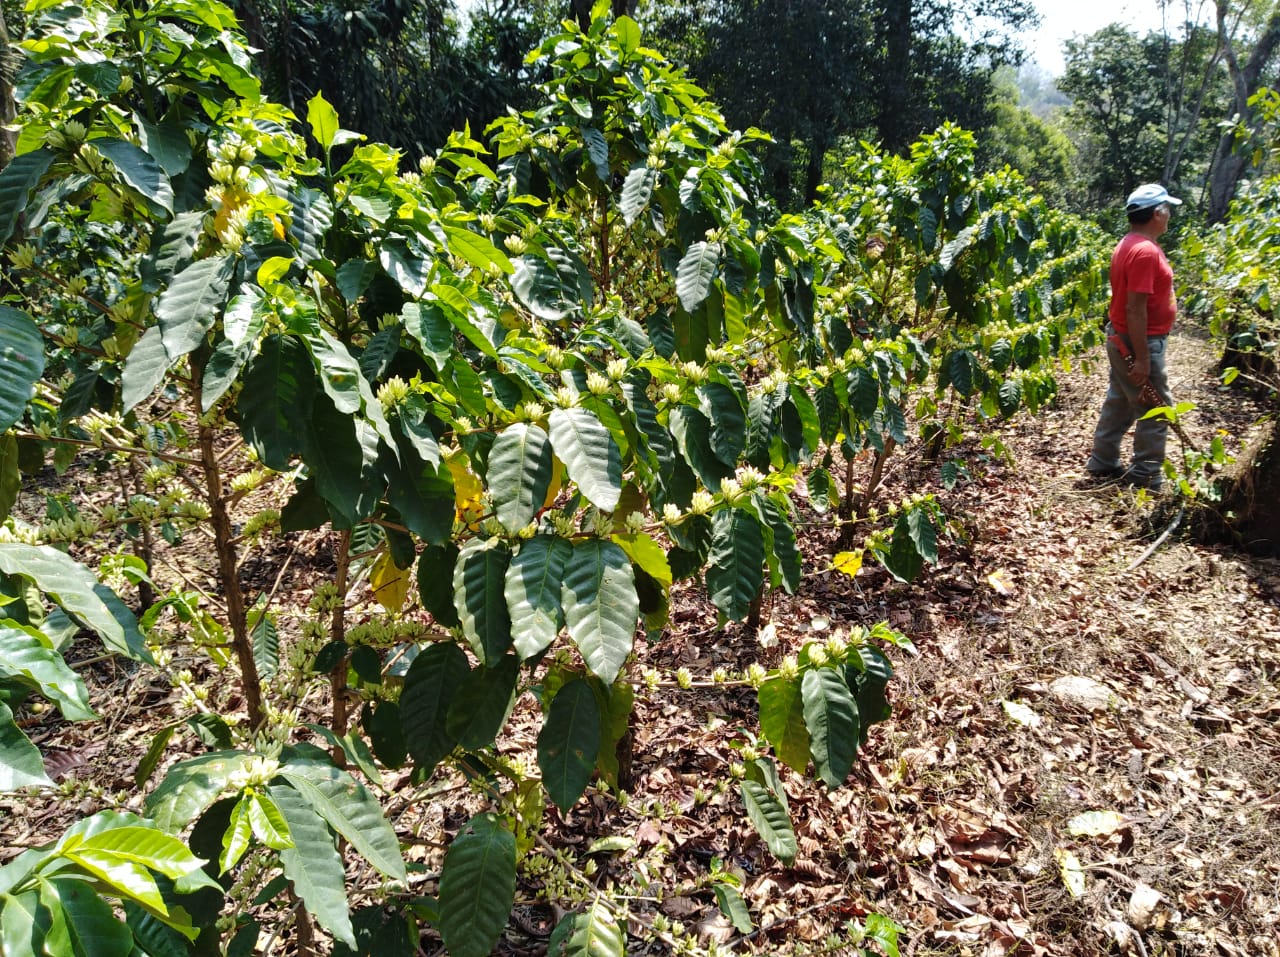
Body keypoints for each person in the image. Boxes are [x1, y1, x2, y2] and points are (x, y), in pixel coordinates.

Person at [1085, 183, 1181, 490]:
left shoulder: (1130, 243)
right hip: (1138, 342)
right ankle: (1147, 477)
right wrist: (1142, 358)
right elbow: (1135, 308)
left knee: (1121, 402)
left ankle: (1103, 461)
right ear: (1157, 213)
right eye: (1167, 209)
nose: (1169, 215)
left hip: (1123, 338)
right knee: (1156, 410)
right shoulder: (1144, 252)